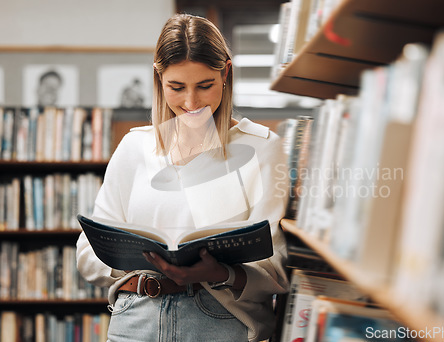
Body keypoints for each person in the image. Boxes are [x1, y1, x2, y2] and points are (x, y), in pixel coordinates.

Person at [76, 13, 289, 342]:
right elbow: (87, 253)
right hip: (136, 314)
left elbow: (274, 269)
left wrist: (219, 272)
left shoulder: (261, 148)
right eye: (176, 87)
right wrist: (140, 269)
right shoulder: (135, 146)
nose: (192, 103)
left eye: (205, 86)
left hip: (217, 316)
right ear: (159, 78)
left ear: (226, 73)